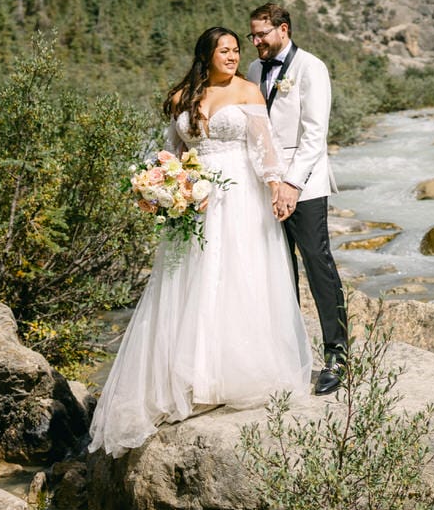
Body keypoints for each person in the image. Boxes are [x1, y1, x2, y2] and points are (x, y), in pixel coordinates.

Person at [88, 27, 312, 458]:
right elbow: (170, 153)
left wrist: (277, 190)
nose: (232, 56)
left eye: (236, 50)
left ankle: (228, 376)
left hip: (239, 198)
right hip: (193, 201)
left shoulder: (248, 91)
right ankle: (190, 378)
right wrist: (157, 186)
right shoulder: (181, 96)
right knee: (188, 283)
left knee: (235, 278)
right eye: (224, 50)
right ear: (206, 54)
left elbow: (265, 151)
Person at [246, 3, 347, 395]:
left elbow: (314, 135)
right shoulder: (255, 71)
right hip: (267, 185)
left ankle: (337, 355)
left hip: (304, 186)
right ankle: (287, 353)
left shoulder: (312, 68)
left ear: (282, 30)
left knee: (318, 264)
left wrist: (292, 185)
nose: (255, 42)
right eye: (252, 35)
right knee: (277, 268)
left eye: (261, 35)